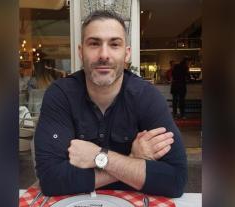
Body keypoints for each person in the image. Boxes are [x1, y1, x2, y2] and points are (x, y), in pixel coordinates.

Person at [34, 10, 187, 198]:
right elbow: (51, 180)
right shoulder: (61, 95)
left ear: (127, 53)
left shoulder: (147, 97)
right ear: (81, 52)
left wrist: (100, 157)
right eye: (94, 43)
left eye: (114, 44)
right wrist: (131, 161)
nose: (104, 54)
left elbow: (176, 180)